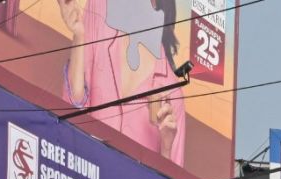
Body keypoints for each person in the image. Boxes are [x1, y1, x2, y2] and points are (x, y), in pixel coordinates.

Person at [57, 0, 186, 164]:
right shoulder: (100, 9)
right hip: (85, 174)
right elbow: (72, 106)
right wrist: (79, 35)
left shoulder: (172, 92)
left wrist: (166, 149)